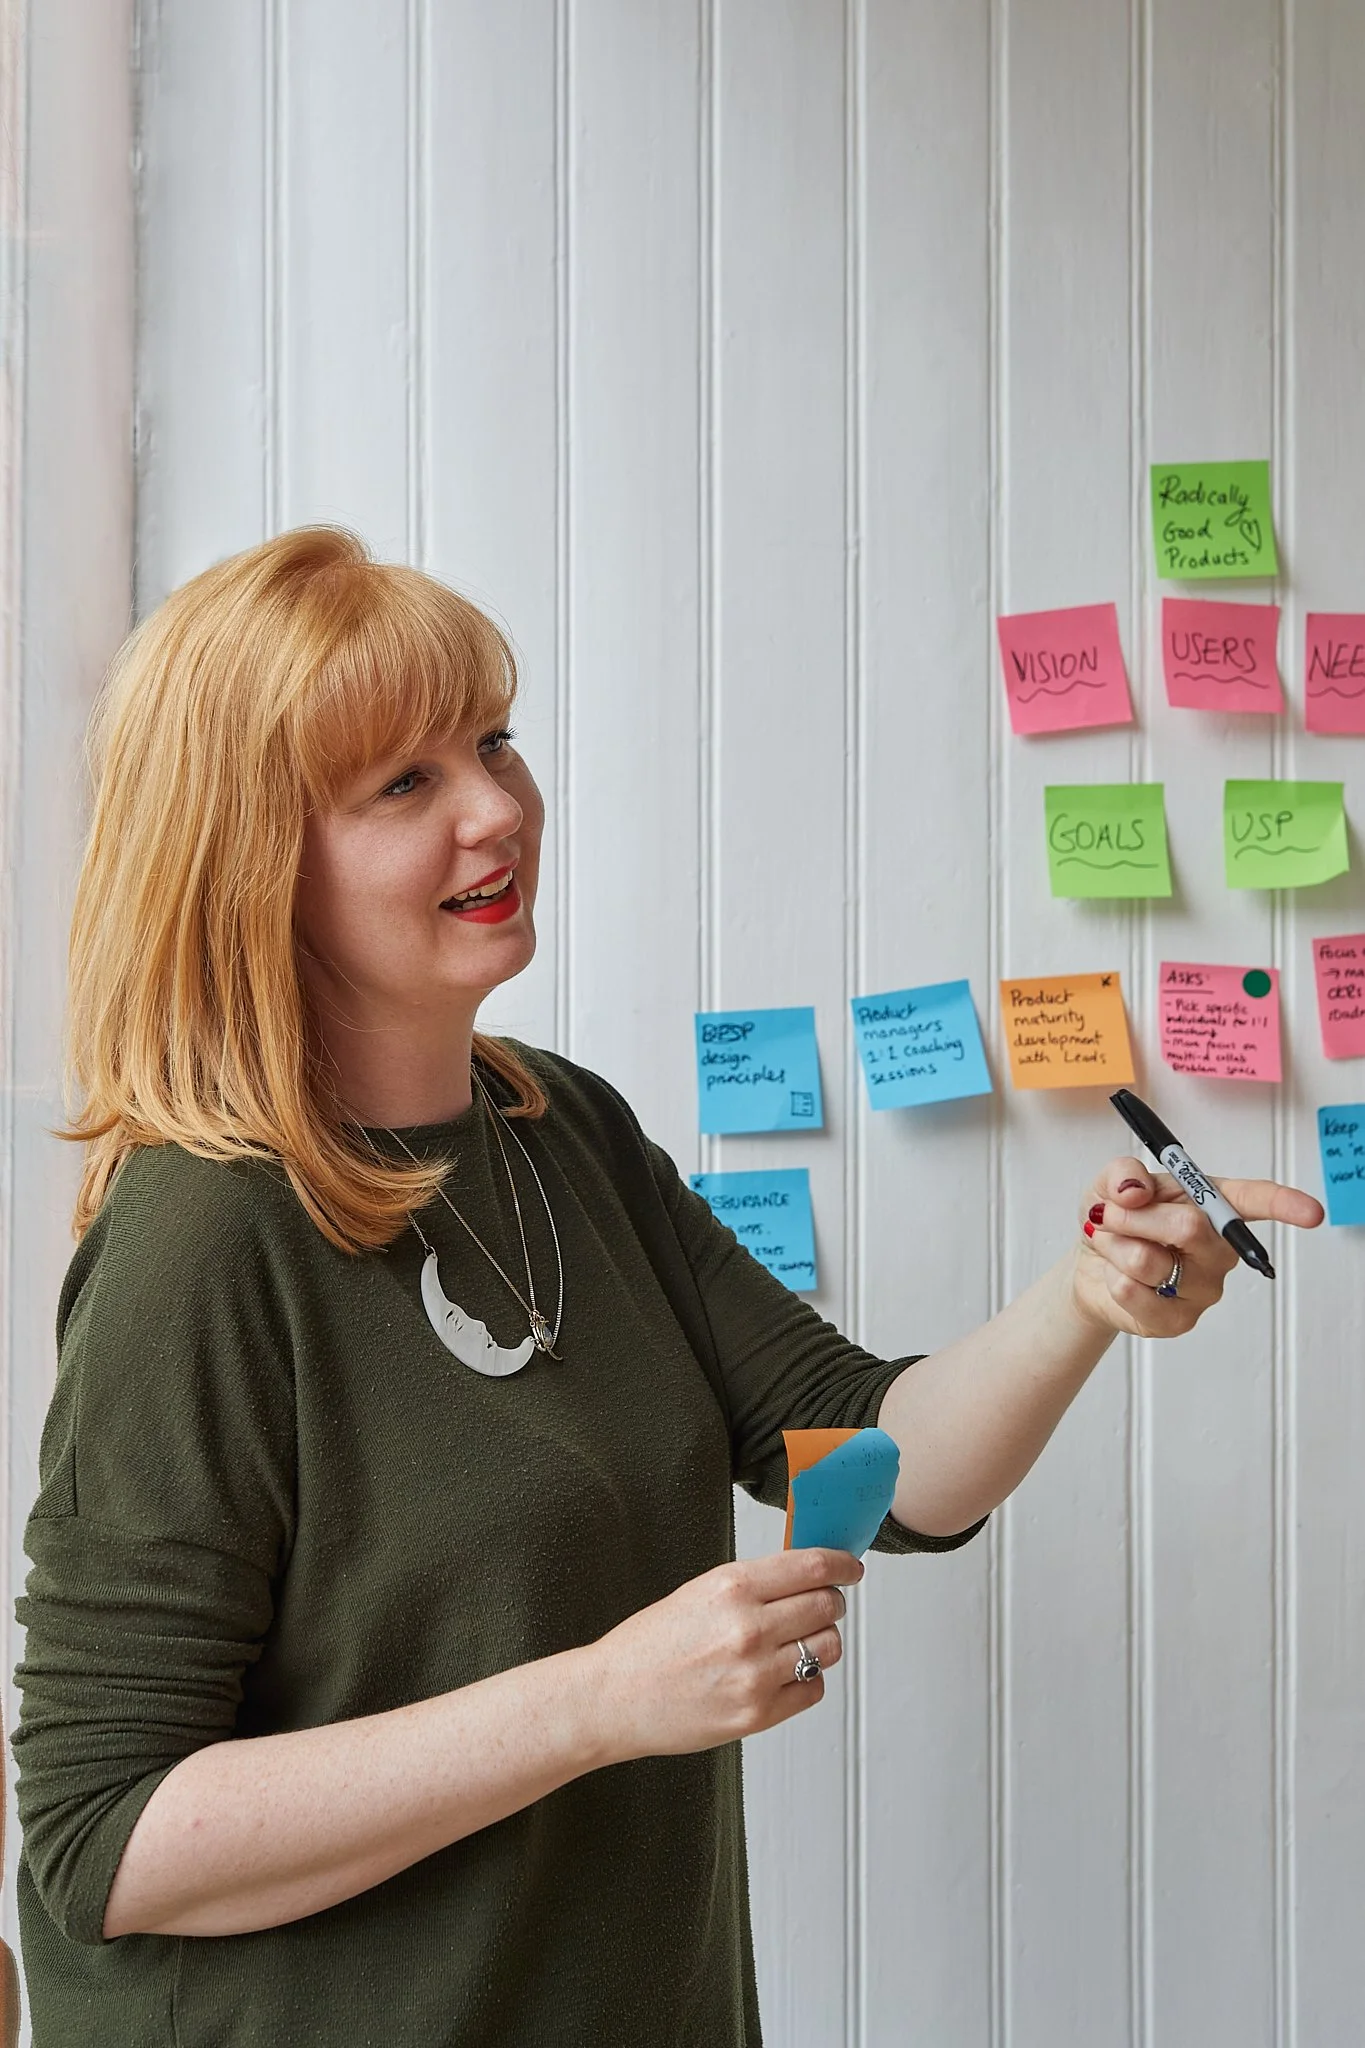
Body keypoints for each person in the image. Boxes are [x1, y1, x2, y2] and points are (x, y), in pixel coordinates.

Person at [9, 527, 1322, 2047]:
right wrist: (598, 1701)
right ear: (250, 861)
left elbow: (861, 1457)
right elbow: (103, 1838)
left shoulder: (558, 1133)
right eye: (404, 785)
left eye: (492, 740)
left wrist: (1086, 1299)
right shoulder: (203, 1233)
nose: (500, 809)